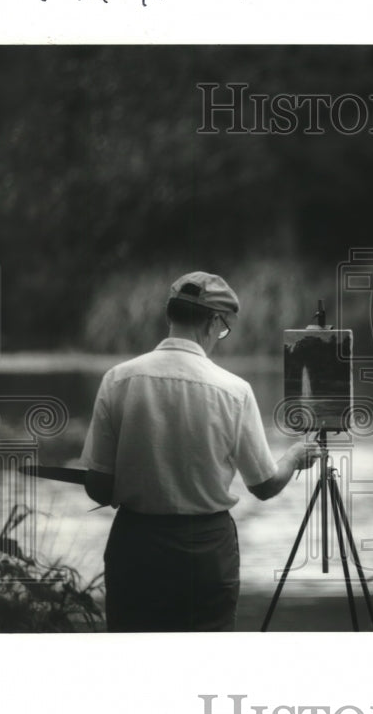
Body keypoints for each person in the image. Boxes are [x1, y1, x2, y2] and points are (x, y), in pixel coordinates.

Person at [79, 271, 316, 632]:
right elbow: (265, 485)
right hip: (206, 552)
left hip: (137, 546)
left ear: (170, 316)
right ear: (213, 321)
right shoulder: (234, 391)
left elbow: (97, 487)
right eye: (222, 329)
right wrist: (295, 457)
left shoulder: (118, 379)